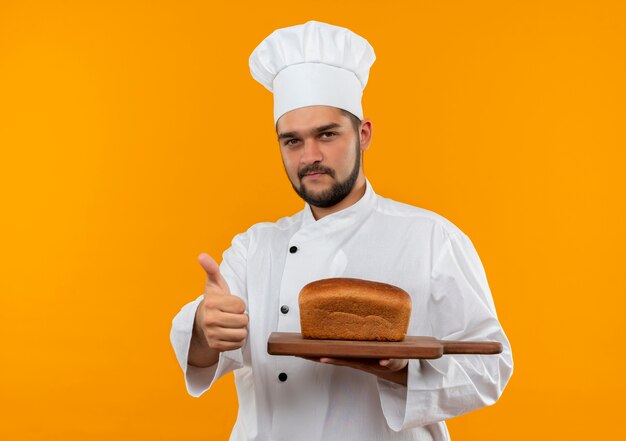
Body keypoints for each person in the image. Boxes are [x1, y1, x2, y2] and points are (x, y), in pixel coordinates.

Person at [170, 20, 513, 441]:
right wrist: (205, 328)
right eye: (292, 141)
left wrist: (404, 372)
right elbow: (204, 352)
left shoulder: (431, 239)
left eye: (327, 134)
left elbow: (491, 366)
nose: (310, 156)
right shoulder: (254, 248)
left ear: (363, 134)